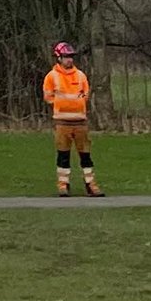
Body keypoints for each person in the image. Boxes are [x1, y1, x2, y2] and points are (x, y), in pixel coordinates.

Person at [43, 41, 101, 195]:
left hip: (80, 122)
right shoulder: (52, 76)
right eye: (66, 57)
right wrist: (64, 103)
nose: (69, 60)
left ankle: (91, 184)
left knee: (85, 155)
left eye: (71, 57)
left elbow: (86, 94)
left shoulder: (80, 76)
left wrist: (74, 102)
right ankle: (63, 185)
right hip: (62, 122)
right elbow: (48, 97)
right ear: (59, 58)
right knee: (63, 155)